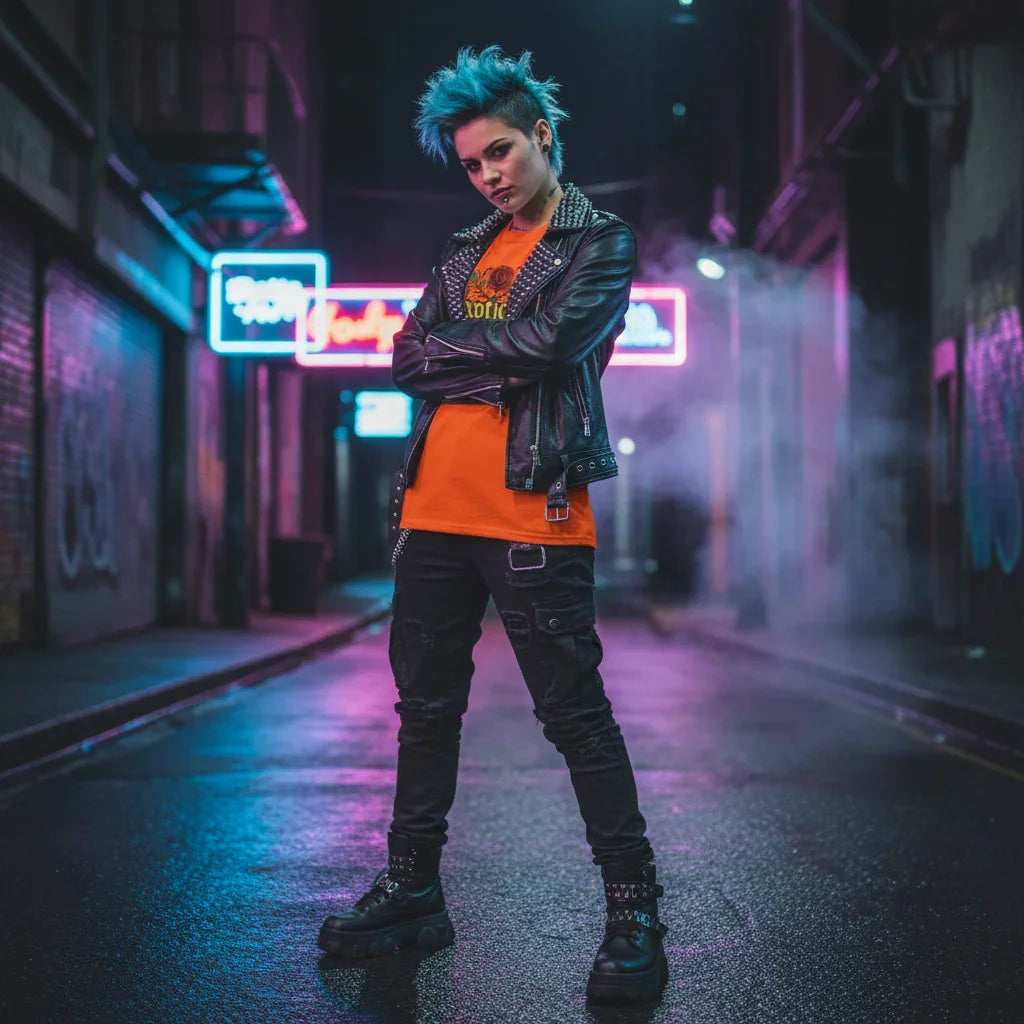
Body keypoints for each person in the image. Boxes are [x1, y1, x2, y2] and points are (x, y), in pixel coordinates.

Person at [318, 45, 668, 1005]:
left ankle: (634, 911)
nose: (489, 176)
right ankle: (412, 891)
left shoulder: (599, 241)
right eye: (473, 165)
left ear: (542, 136)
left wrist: (466, 350)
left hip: (533, 510)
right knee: (425, 713)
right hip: (432, 511)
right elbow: (405, 357)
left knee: (575, 718)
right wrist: (497, 355)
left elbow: (554, 344)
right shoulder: (465, 249)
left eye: (501, 153)